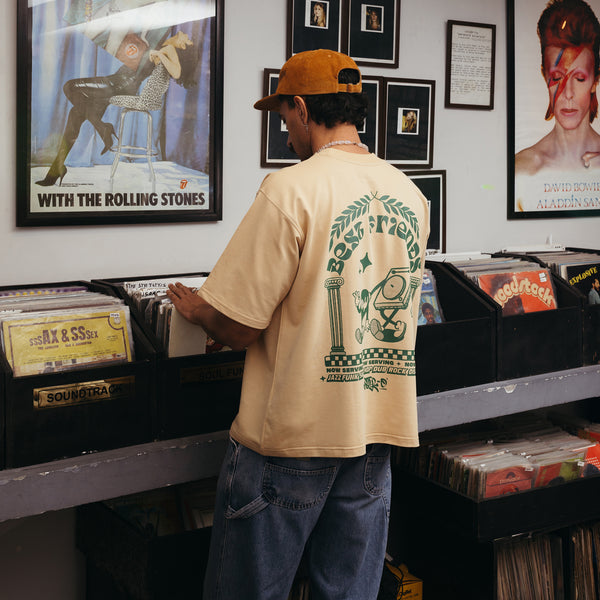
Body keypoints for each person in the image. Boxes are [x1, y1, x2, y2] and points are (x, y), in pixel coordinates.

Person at [167, 49, 430, 600]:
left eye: (284, 114)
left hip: (288, 442)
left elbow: (237, 325)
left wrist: (197, 310)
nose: (284, 127)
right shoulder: (410, 195)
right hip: (373, 435)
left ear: (304, 108)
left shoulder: (290, 190)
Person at [35, 29, 195, 187]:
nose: (187, 36)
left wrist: (159, 54)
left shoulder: (169, 49)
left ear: (182, 47)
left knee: (70, 86)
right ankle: (56, 170)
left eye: (188, 41)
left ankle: (103, 128)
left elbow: (177, 72)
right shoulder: (158, 40)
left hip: (119, 85)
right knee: (76, 115)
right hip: (118, 81)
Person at [515, 0, 600, 174]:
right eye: (556, 78)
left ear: (595, 81)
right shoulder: (523, 169)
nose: (568, 94)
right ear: (544, 75)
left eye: (580, 78)